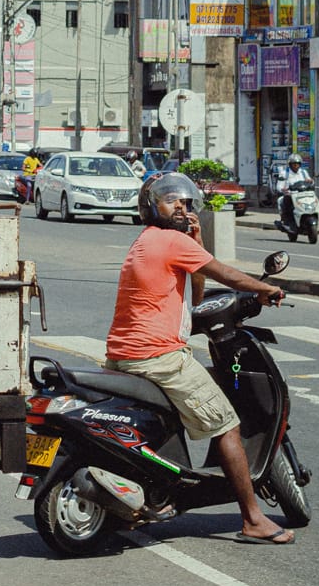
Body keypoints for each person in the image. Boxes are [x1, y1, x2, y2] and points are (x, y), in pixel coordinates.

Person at [106, 171, 294, 545]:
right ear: (151, 207)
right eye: (172, 201)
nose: (182, 207)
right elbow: (227, 274)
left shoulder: (149, 242)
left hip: (123, 356)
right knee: (226, 423)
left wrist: (198, 240)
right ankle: (253, 519)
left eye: (186, 202)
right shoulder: (169, 240)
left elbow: (196, 291)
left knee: (189, 400)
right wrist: (266, 289)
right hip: (158, 357)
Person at [277, 152, 312, 234]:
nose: (296, 166)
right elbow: (279, 186)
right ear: (290, 164)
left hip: (303, 195)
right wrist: (283, 189)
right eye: (294, 164)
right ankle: (287, 222)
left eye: (297, 164)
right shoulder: (284, 173)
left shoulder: (303, 172)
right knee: (286, 200)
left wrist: (311, 182)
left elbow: (309, 181)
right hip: (291, 195)